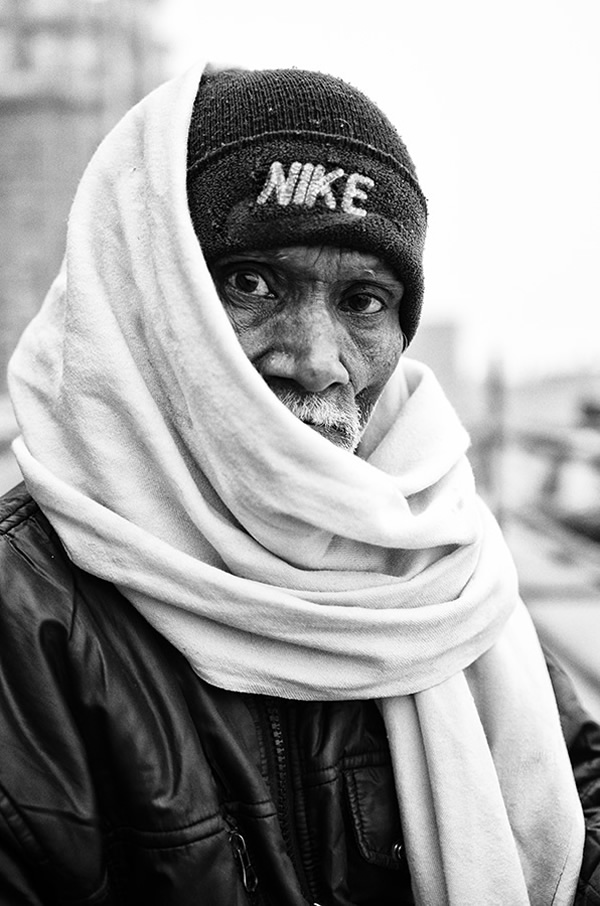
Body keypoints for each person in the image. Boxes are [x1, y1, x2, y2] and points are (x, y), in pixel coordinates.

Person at [1, 61, 599, 906]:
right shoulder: (25, 617)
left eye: (363, 300)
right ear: (149, 296)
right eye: (252, 284)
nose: (317, 361)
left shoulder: (441, 553)